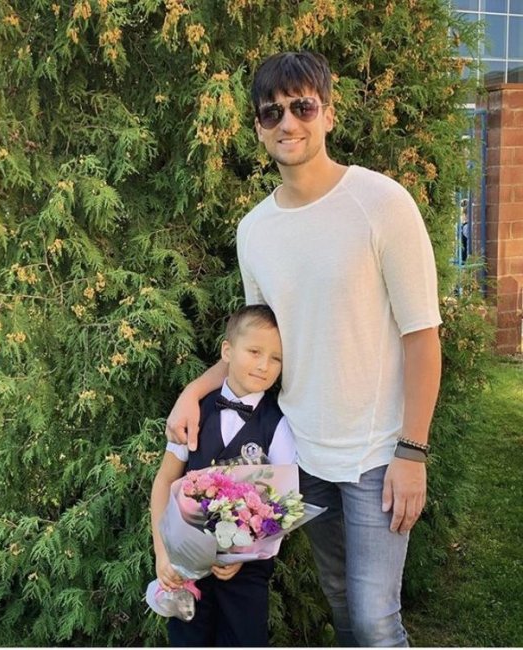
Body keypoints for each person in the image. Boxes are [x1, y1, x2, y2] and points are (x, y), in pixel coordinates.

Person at [165, 51, 442, 647]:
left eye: (302, 107)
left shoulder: (382, 203)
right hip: (301, 453)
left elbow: (422, 335)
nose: (288, 122)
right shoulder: (254, 231)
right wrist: (193, 391)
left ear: (328, 114)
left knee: (375, 619)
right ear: (259, 128)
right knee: (339, 600)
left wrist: (412, 450)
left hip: (377, 452)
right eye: (272, 112)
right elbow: (255, 346)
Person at [151, 304, 297, 647]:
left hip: (246, 578)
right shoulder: (194, 413)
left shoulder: (279, 425)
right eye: (254, 352)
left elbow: (284, 506)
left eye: (276, 358)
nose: (264, 365)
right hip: (185, 568)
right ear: (227, 351)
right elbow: (164, 481)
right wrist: (162, 554)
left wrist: (244, 556)